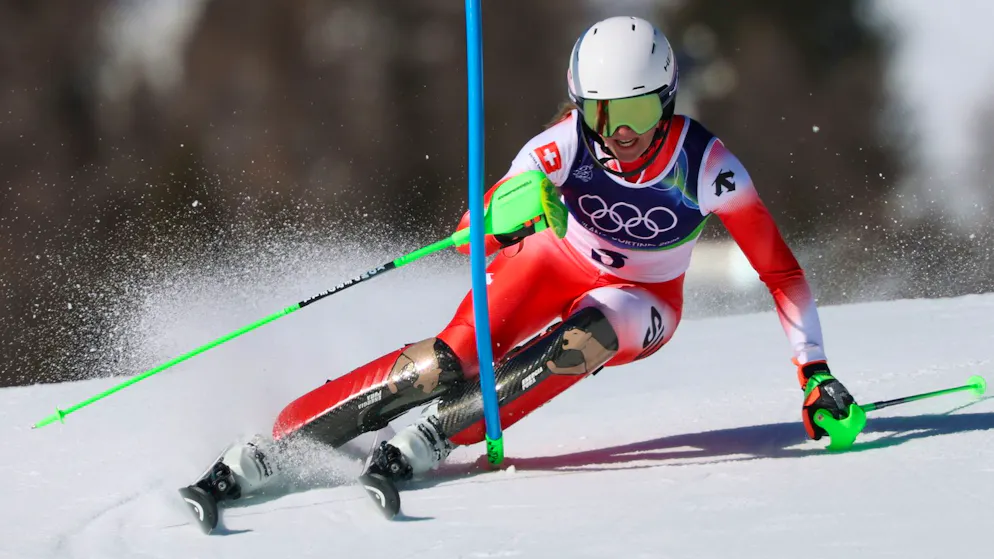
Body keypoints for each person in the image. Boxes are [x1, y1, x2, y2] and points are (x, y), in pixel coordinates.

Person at [195, 15, 858, 501]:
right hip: (553, 259)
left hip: (643, 296)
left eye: (634, 113)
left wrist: (814, 373)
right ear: (580, 107)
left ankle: (439, 435)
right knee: (445, 361)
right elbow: (470, 235)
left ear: (665, 102)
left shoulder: (708, 168)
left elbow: (781, 271)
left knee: (586, 336)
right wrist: (496, 221)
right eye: (603, 114)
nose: (620, 135)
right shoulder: (560, 147)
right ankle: (280, 444)